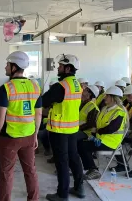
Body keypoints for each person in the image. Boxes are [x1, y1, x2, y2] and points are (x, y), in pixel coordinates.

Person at [0, 51, 41, 201]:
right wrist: (35, 135)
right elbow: (38, 114)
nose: (5, 67)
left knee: (7, 173)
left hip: (9, 138)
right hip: (28, 136)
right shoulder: (35, 86)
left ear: (14, 67)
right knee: (30, 171)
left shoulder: (6, 87)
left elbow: (1, 114)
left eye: (7, 65)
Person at [42, 54, 84, 201]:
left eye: (60, 66)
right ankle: (79, 188)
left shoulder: (61, 86)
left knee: (62, 162)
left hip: (59, 129)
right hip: (72, 128)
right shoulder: (77, 84)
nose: (58, 68)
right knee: (74, 158)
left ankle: (62, 194)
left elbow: (43, 101)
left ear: (67, 68)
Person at [78, 86, 127, 180]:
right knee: (81, 144)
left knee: (83, 146)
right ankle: (91, 169)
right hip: (101, 139)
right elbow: (98, 124)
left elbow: (111, 128)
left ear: (113, 98)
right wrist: (93, 136)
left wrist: (97, 132)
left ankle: (93, 170)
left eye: (107, 96)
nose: (105, 98)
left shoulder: (119, 112)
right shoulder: (105, 109)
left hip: (111, 142)